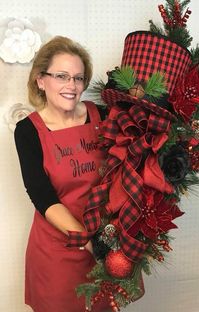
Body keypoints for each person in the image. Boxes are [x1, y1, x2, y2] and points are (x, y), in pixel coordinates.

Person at [14, 36, 110, 312]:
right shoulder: (28, 131)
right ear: (40, 80)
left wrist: (110, 242)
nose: (72, 86)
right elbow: (42, 196)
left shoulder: (103, 116)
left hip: (107, 238)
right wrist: (90, 242)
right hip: (58, 251)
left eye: (79, 78)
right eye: (62, 76)